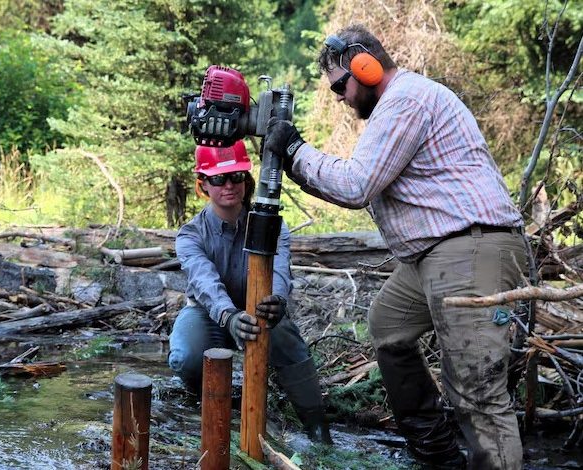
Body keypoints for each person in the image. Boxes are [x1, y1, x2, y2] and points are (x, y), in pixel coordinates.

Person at [264, 24, 527, 470]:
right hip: (433, 254)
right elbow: (354, 187)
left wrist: (294, 147)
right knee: (388, 327)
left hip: (470, 247)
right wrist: (294, 160)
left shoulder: (406, 99)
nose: (341, 99)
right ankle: (438, 455)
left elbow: (356, 184)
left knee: (476, 391)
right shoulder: (397, 104)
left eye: (340, 86)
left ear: (365, 65)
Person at [168, 140, 332, 443]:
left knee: (289, 344)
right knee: (187, 355)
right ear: (203, 184)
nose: (229, 185)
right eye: (218, 179)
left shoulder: (271, 225)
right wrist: (228, 315)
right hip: (209, 313)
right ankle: (204, 400)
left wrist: (278, 299)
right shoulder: (190, 234)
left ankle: (318, 429)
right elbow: (203, 281)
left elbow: (280, 268)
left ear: (247, 178)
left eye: (237, 176)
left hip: (261, 309)